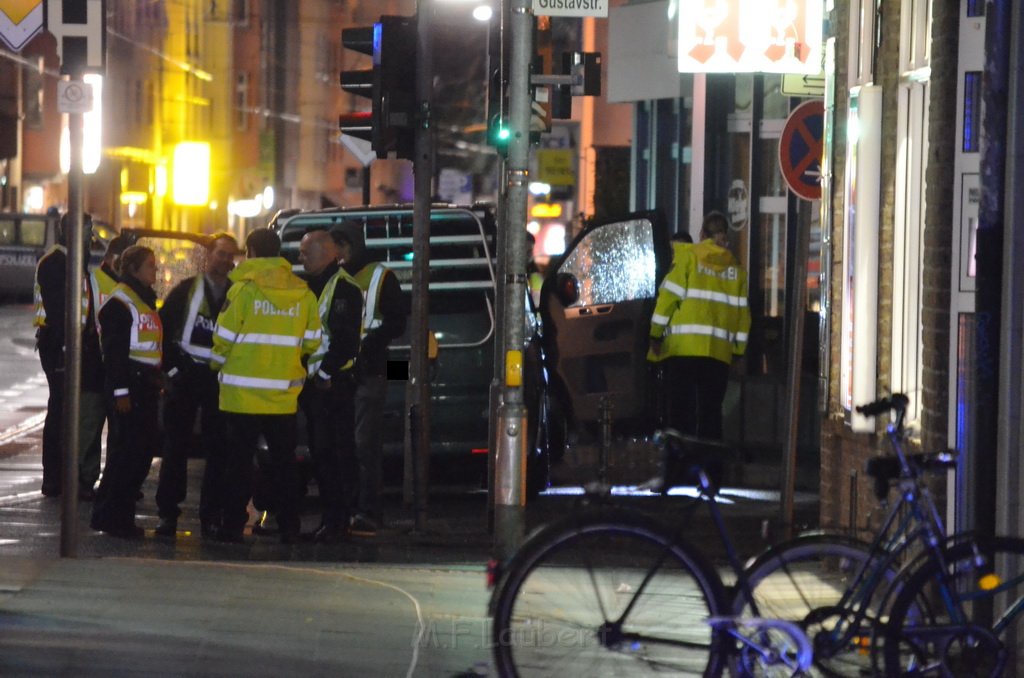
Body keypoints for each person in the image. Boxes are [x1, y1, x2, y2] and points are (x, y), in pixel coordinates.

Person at [210, 228, 321, 544]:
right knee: (285, 464)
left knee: (239, 465)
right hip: (283, 396)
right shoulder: (304, 293)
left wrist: (215, 365)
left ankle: (233, 525)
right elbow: (313, 342)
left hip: (241, 397)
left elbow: (223, 340)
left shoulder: (243, 291)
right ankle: (289, 525)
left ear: (252, 253)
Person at [154, 233, 239, 538]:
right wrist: (174, 369)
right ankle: (167, 514)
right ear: (208, 256)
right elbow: (162, 329)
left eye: (231, 256)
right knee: (175, 447)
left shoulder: (236, 294)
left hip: (219, 381)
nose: (226, 260)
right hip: (187, 378)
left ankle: (210, 516)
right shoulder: (186, 291)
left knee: (219, 450)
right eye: (221, 254)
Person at [331, 220, 407, 537]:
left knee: (365, 447)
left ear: (355, 245)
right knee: (343, 447)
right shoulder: (335, 278)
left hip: (371, 371)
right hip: (340, 375)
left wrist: (373, 340)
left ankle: (368, 513)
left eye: (343, 245)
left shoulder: (380, 276)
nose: (340, 252)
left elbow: (397, 321)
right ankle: (349, 509)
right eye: (336, 246)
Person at [648, 211, 751, 440]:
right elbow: (743, 317)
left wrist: (655, 336)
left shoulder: (688, 257)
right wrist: (737, 352)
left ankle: (681, 466)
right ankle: (710, 470)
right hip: (717, 354)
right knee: (711, 414)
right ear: (725, 236)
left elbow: (668, 299)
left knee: (681, 413)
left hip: (682, 351)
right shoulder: (737, 271)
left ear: (702, 234)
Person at [90, 245, 164, 538]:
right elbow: (115, 354)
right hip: (129, 389)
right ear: (132, 269)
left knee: (136, 455)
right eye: (150, 266)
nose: (155, 272)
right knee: (127, 457)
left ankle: (113, 516)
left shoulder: (142, 300)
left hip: (143, 386)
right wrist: (121, 392)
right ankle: (114, 518)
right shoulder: (121, 303)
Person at [298, 229, 363, 543]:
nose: (300, 257)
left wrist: (324, 374)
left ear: (325, 253)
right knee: (321, 454)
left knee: (334, 454)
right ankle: (333, 519)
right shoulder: (311, 285)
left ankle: (338, 521)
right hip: (314, 385)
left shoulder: (344, 289)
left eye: (305, 252)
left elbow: (346, 340)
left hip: (332, 386)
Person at [32, 211, 95, 498]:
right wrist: (67, 347)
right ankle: (54, 479)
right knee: (60, 408)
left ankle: (59, 477)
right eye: (88, 231)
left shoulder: (71, 261)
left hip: (66, 344)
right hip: (58, 344)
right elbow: (59, 311)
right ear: (72, 231)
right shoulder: (57, 262)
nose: (92, 237)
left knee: (64, 408)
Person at [78, 233, 131, 501]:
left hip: (118, 367)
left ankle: (110, 481)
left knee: (119, 431)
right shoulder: (94, 282)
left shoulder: (128, 288)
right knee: (89, 426)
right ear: (114, 259)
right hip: (95, 365)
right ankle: (84, 480)